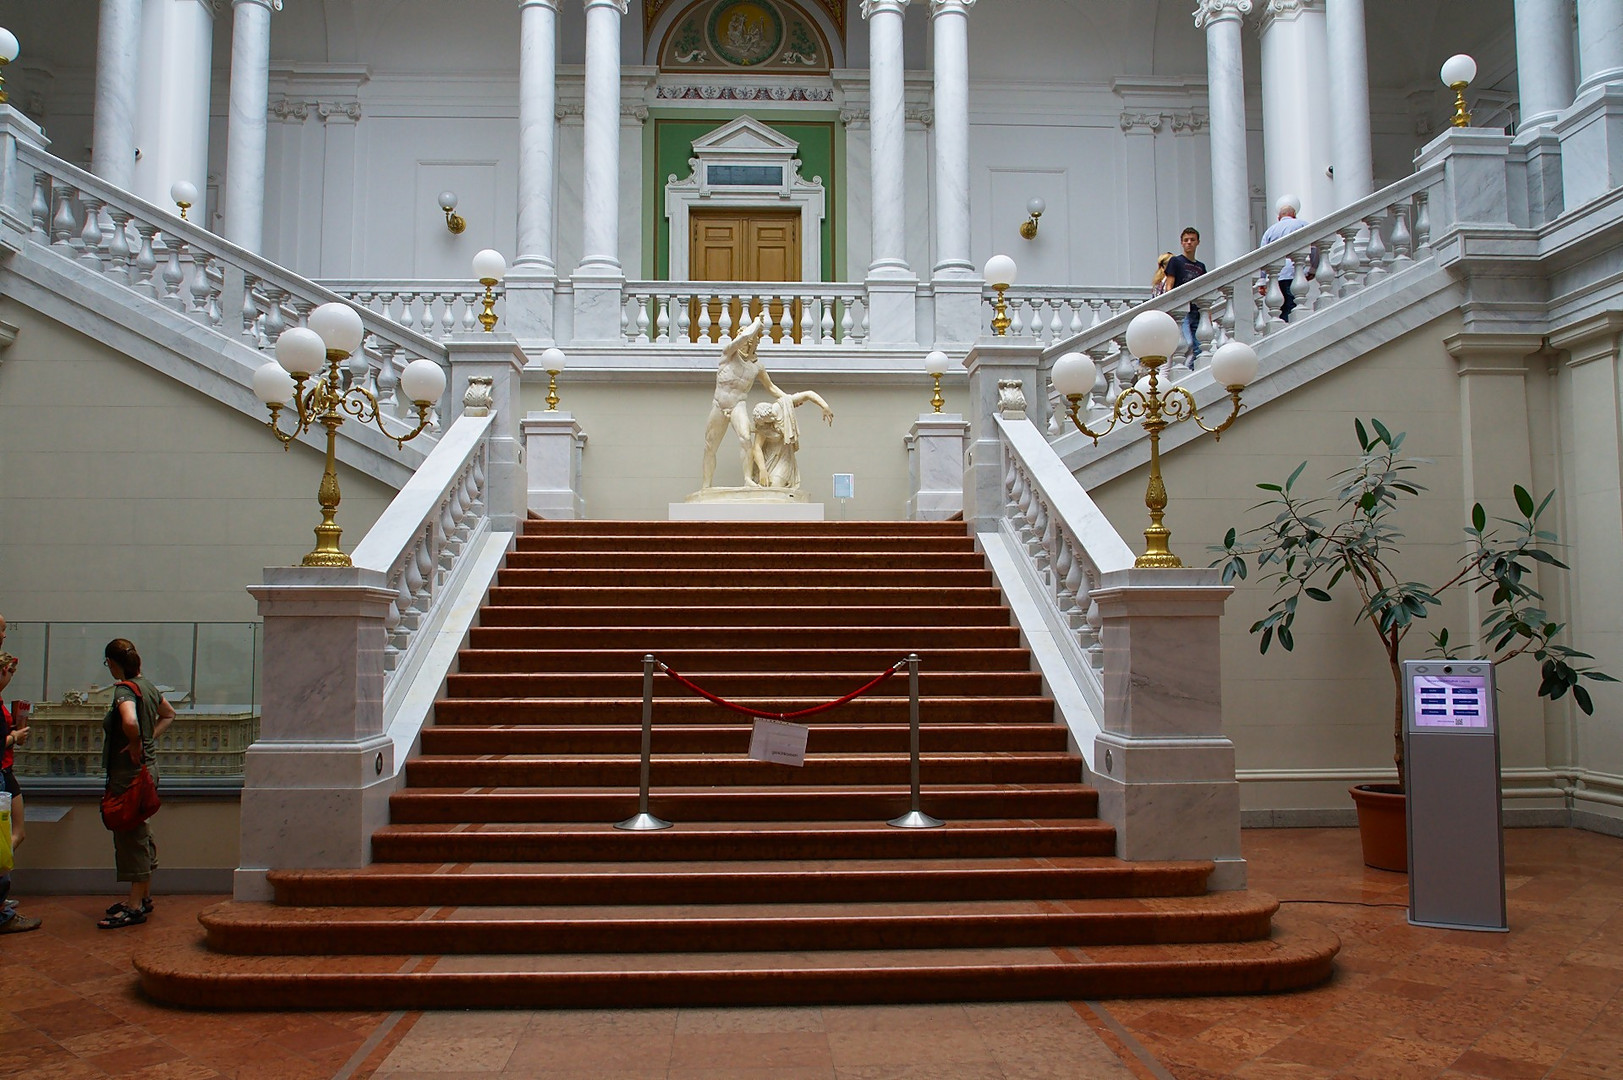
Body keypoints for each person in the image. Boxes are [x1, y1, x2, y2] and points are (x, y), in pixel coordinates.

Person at [98, 637, 174, 930]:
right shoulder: (149, 687)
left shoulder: (123, 690)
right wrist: (147, 740)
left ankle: (133, 904)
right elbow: (169, 714)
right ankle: (143, 895)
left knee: (131, 836)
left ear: (113, 664)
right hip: (147, 769)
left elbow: (129, 721)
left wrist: (134, 741)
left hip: (128, 774)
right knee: (141, 830)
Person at [701, 316, 779, 489]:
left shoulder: (756, 367)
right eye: (743, 339)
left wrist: (790, 400)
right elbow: (742, 338)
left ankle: (747, 480)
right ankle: (706, 486)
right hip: (719, 405)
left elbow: (772, 388)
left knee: (745, 438)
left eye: (749, 341)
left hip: (738, 404)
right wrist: (757, 323)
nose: (744, 343)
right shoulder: (728, 353)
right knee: (710, 446)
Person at [0, 641, 40, 935]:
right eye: (9, 671)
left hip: (5, 770)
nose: (11, 675)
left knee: (17, 833)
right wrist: (14, 738)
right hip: (1, 772)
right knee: (7, 840)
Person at [749, 389, 834, 490]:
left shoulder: (782, 406)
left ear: (771, 415)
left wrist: (825, 406)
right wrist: (762, 470)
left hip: (784, 456)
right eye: (763, 424)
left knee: (776, 486)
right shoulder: (762, 424)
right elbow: (757, 447)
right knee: (765, 487)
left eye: (768, 421)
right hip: (769, 458)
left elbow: (808, 394)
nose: (766, 425)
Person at [1258, 195, 1314, 322]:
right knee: (1293, 304)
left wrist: (1262, 281)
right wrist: (1313, 268)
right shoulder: (1302, 224)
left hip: (1277, 274)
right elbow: (1315, 248)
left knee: (1281, 307)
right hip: (1295, 272)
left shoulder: (1270, 231)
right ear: (1294, 215)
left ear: (1279, 217)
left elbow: (1262, 256)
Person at [1163, 228, 1207, 366]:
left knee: (1199, 345)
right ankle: (1184, 370)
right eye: (1186, 240)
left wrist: (1208, 314)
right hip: (1182, 310)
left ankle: (1193, 370)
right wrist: (1171, 305)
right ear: (1181, 243)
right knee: (1186, 342)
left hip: (1197, 310)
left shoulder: (1200, 266)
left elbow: (1204, 291)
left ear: (1198, 242)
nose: (1189, 243)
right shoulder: (1176, 261)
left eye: (1192, 240)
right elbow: (1169, 285)